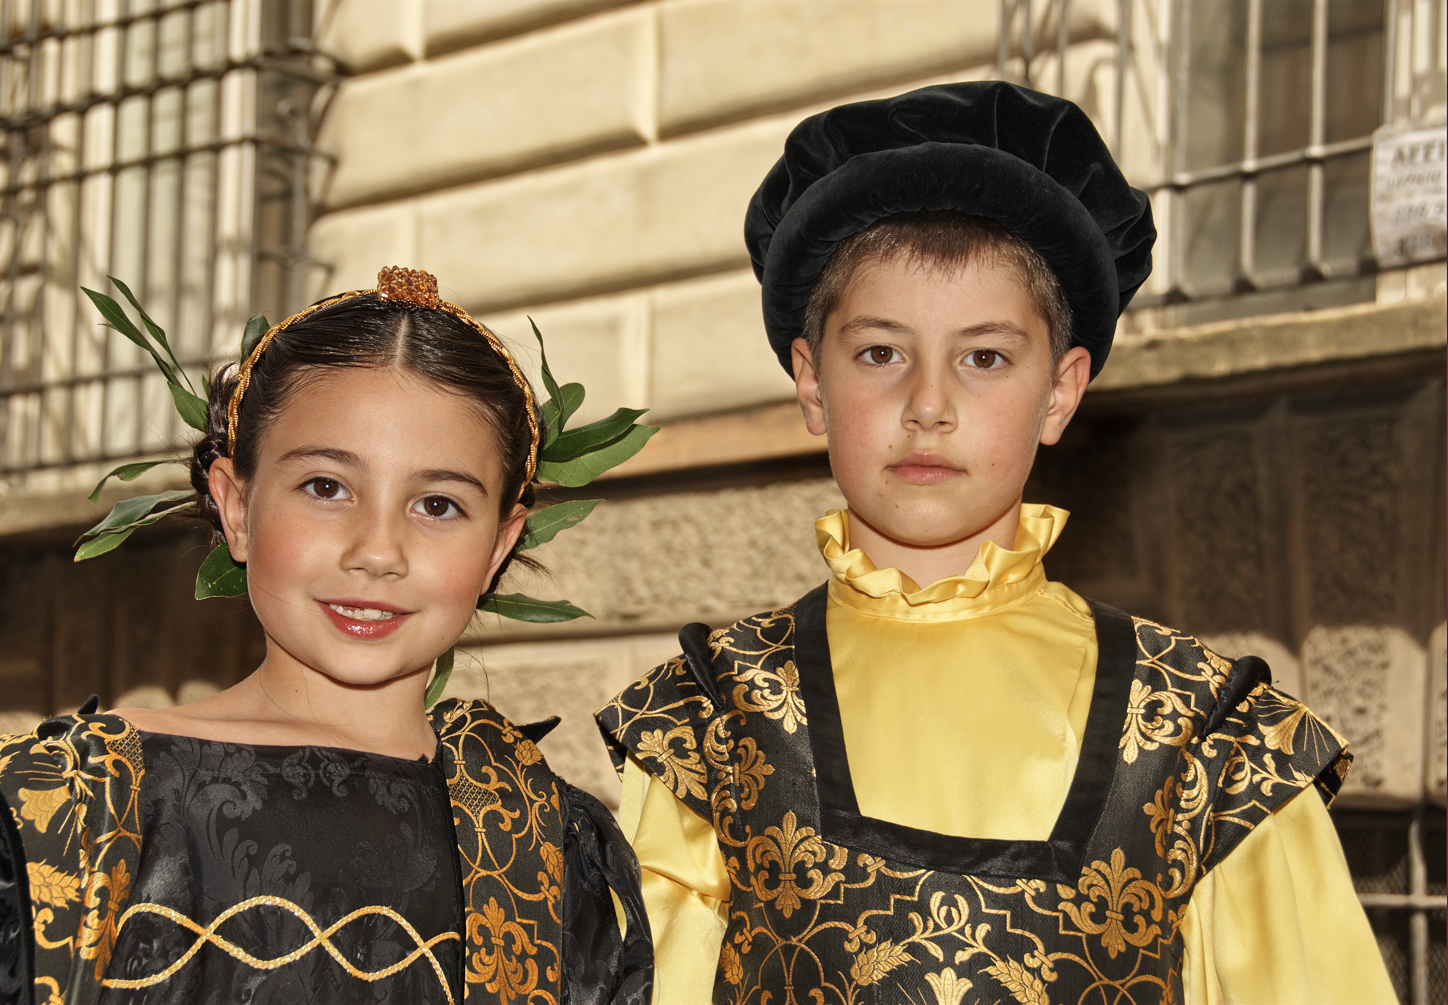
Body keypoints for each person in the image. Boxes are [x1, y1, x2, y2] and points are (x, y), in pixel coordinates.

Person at [596, 83, 1395, 1004]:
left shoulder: (1208, 742)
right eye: (881, 353)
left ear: (1060, 392)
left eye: (984, 357)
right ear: (812, 383)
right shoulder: (712, 723)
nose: (928, 405)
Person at [0, 267, 653, 1004]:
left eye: (438, 504)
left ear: (498, 546)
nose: (377, 551)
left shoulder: (549, 847)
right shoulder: (68, 811)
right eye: (326, 488)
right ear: (237, 508)